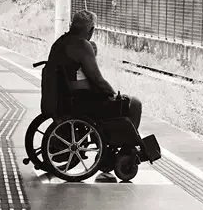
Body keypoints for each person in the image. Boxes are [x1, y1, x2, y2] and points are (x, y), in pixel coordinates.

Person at [40, 10, 142, 181]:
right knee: (134, 104)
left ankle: (109, 151)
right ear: (91, 29)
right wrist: (112, 94)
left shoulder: (60, 42)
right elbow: (97, 80)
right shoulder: (82, 45)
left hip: (65, 99)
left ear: (72, 25)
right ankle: (123, 151)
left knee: (118, 104)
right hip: (81, 102)